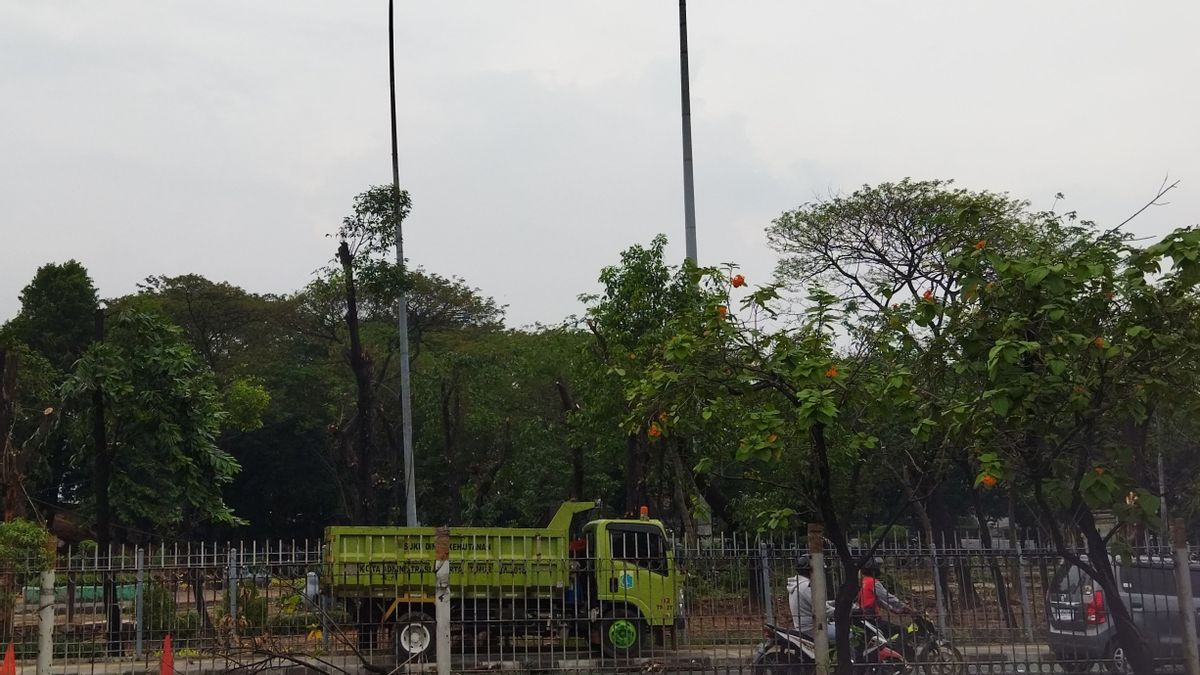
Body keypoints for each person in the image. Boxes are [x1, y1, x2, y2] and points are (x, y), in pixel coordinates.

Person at [857, 557, 913, 646]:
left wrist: (893, 609)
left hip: (866, 618)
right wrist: (903, 606)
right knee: (903, 631)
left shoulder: (864, 582)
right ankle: (899, 654)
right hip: (872, 618)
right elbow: (887, 597)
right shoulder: (873, 582)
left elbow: (878, 601)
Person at [786, 554, 836, 642]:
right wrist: (844, 610)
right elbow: (824, 610)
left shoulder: (798, 584)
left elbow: (814, 603)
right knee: (849, 634)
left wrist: (834, 602)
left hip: (804, 627)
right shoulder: (807, 586)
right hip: (813, 629)